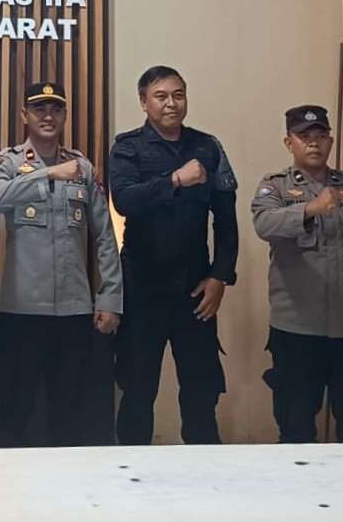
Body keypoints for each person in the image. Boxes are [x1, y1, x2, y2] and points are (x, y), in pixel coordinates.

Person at [0, 80, 123, 448]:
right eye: (39, 109)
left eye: (56, 109)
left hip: (73, 314)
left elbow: (105, 236)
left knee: (69, 413)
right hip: (23, 314)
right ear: (24, 115)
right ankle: (9, 480)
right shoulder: (8, 162)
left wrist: (110, 298)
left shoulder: (82, 167)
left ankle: (66, 482)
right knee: (14, 412)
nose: (48, 116)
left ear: (64, 115)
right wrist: (46, 174)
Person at [108, 65, 238, 446]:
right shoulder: (128, 147)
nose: (171, 104)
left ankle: (204, 472)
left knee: (201, 394)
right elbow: (124, 200)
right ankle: (131, 472)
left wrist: (220, 276)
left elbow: (226, 219)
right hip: (142, 291)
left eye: (178, 95)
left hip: (195, 292)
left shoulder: (208, 147)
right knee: (137, 393)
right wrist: (175, 180)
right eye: (161, 96)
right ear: (143, 102)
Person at [251, 105, 343, 443]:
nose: (313, 143)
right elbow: (263, 223)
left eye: (320, 135)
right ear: (289, 143)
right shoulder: (275, 187)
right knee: (296, 427)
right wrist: (310, 209)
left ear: (330, 141)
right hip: (296, 329)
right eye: (304, 136)